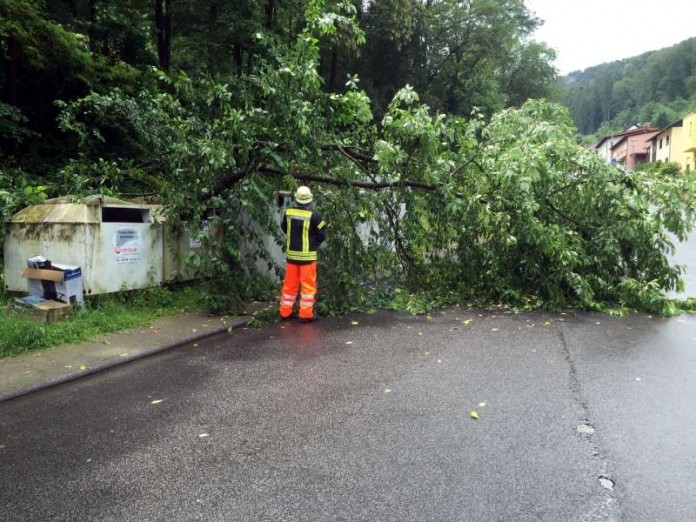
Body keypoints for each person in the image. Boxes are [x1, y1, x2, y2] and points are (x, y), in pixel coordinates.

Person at [279, 186, 326, 323]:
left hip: (292, 256)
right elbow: (322, 233)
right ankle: (305, 315)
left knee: (289, 285)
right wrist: (314, 243)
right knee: (308, 287)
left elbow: (284, 228)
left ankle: (285, 312)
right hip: (308, 257)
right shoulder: (315, 215)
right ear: (310, 199)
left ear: (296, 198)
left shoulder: (288, 212)